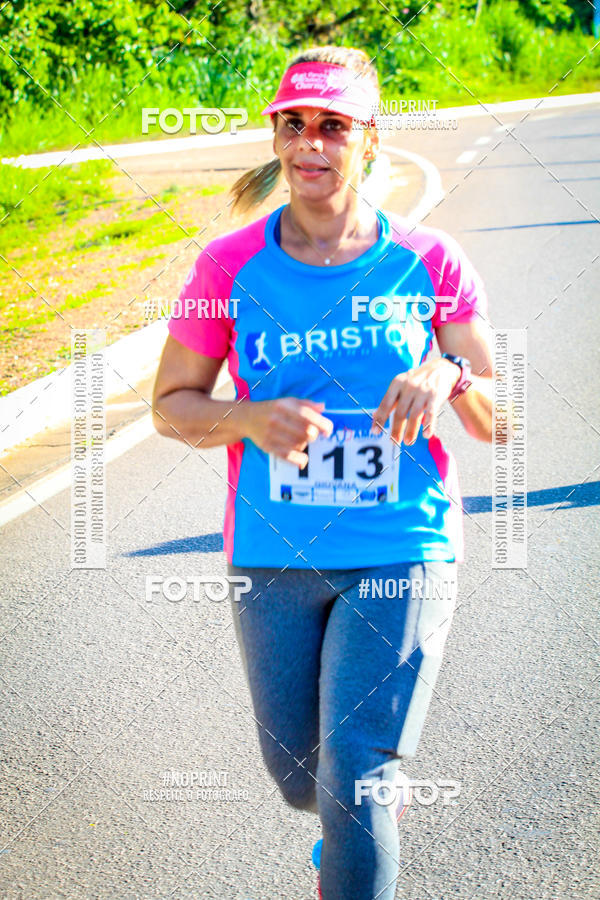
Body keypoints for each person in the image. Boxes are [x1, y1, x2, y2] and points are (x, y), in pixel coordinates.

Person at [152, 45, 505, 900]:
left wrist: (450, 375)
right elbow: (171, 403)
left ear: (370, 140)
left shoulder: (429, 259)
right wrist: (244, 417)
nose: (313, 141)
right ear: (277, 135)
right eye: (295, 123)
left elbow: (503, 412)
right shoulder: (228, 267)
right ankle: (352, 822)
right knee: (300, 777)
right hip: (273, 552)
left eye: (334, 125)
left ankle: (366, 813)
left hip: (402, 544)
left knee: (355, 772)